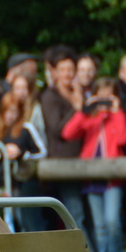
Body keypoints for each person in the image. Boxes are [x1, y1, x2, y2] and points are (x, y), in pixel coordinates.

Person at [62, 76, 126, 252]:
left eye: (109, 97)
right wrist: (85, 111)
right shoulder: (90, 119)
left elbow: (124, 139)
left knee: (112, 221)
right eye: (100, 97)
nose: (104, 101)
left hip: (112, 180)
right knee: (100, 226)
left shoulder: (118, 117)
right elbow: (68, 133)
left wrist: (116, 112)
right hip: (92, 179)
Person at [37, 45, 87, 232]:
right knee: (75, 213)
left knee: (82, 214)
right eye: (63, 69)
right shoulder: (50, 96)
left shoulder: (81, 93)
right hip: (62, 164)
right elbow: (57, 128)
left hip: (83, 162)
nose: (67, 74)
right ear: (55, 72)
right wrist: (76, 107)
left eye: (70, 70)